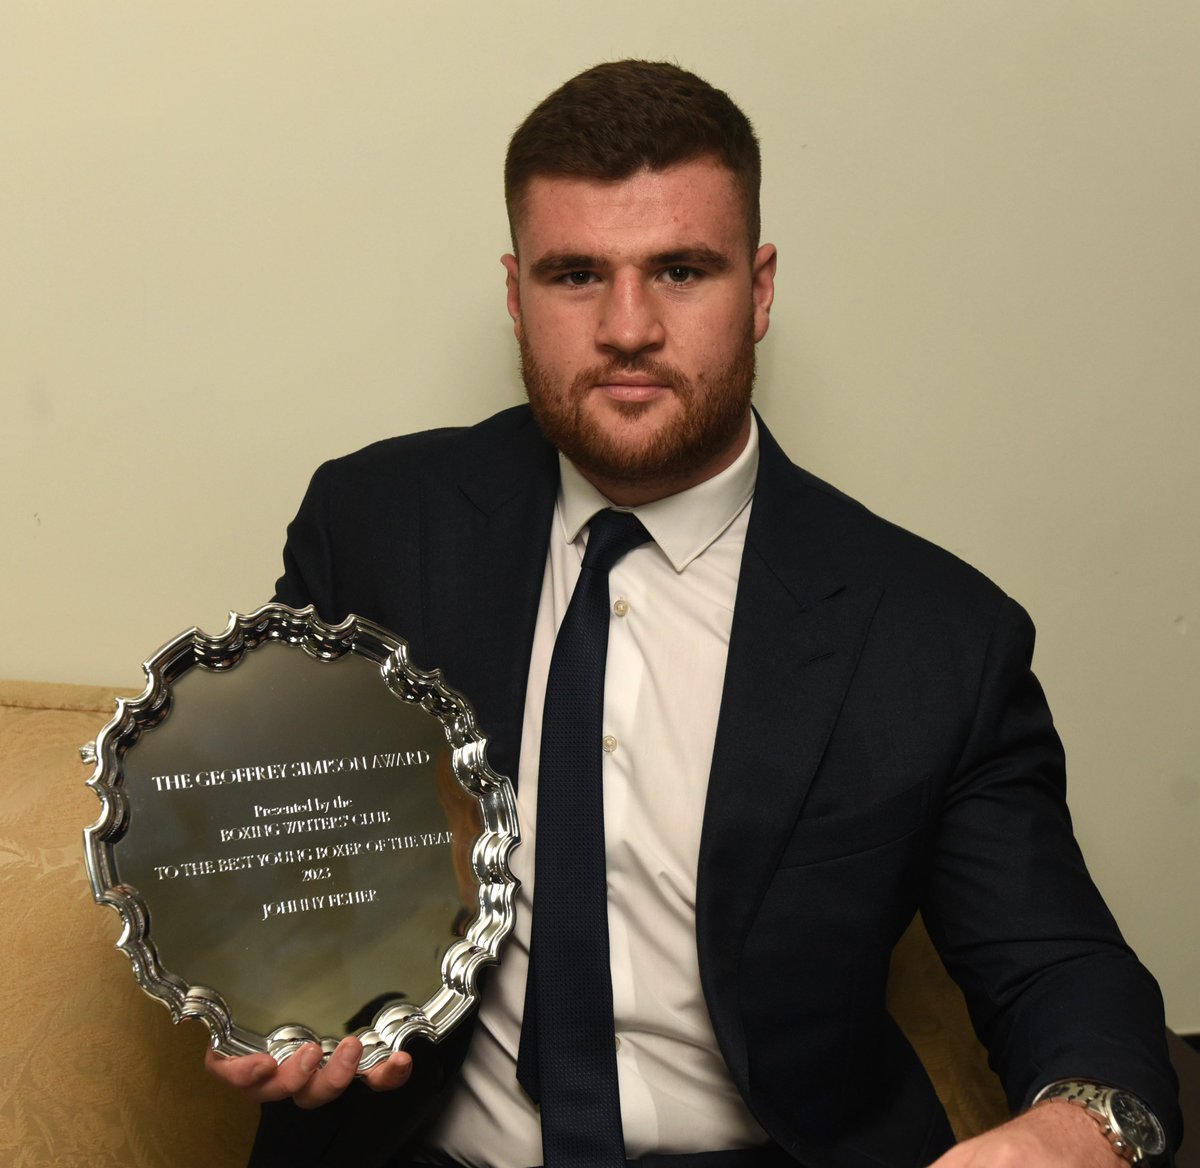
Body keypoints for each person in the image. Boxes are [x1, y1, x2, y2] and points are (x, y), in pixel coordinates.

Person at [208, 60, 1182, 1168]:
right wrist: (266, 990)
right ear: (516, 293)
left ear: (759, 290)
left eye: (680, 270)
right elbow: (274, 842)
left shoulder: (935, 637)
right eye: (576, 274)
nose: (629, 327)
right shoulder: (375, 527)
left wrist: (1079, 1128)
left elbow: (1059, 968)